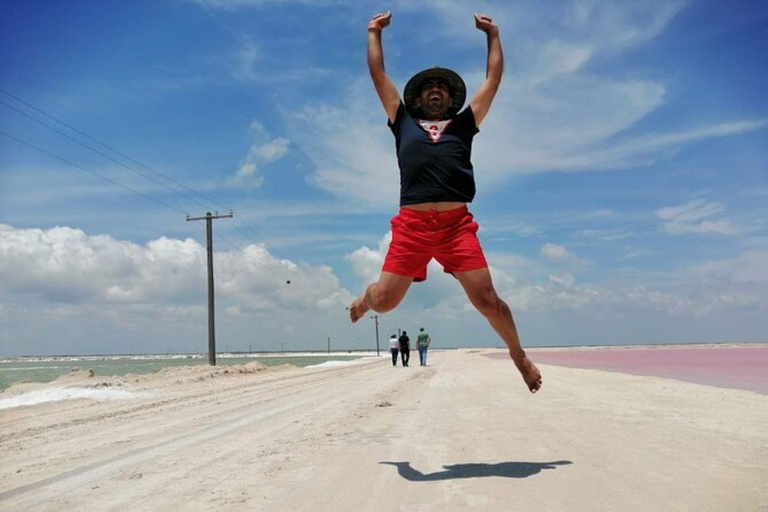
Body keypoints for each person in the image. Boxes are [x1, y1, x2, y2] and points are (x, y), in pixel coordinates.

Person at [348, 11, 542, 393]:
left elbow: (493, 79)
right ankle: (364, 299)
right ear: (419, 98)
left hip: (456, 228)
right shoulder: (401, 120)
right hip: (412, 228)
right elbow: (378, 76)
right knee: (385, 302)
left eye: (442, 87)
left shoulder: (465, 124)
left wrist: (493, 35)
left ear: (451, 98)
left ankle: (518, 355)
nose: (435, 90)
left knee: (488, 300)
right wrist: (373, 32)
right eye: (428, 87)